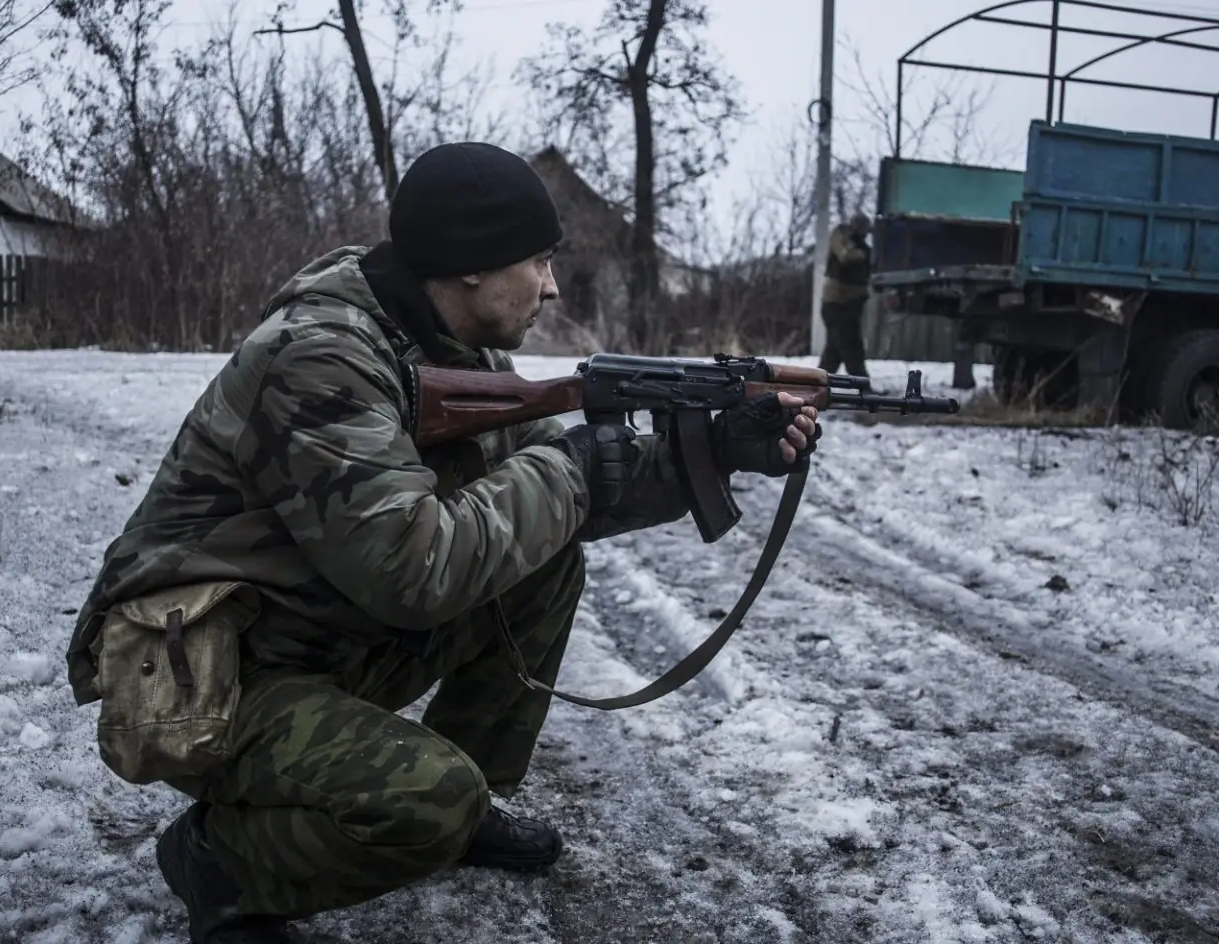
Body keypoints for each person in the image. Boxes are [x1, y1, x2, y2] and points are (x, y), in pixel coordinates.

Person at [64, 141, 822, 943]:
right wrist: (567, 471)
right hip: (206, 675)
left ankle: (468, 803)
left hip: (314, 631)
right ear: (472, 265)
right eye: (540, 261)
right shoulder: (320, 357)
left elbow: (561, 489)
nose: (553, 286)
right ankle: (221, 863)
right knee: (428, 800)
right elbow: (412, 569)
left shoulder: (450, 351)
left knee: (543, 557)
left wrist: (716, 449)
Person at [818, 211, 874, 384]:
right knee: (851, 348)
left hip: (849, 304)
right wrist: (864, 255)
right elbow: (844, 255)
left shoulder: (861, 244)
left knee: (833, 353)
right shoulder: (841, 234)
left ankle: (816, 384)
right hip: (838, 303)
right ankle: (861, 385)